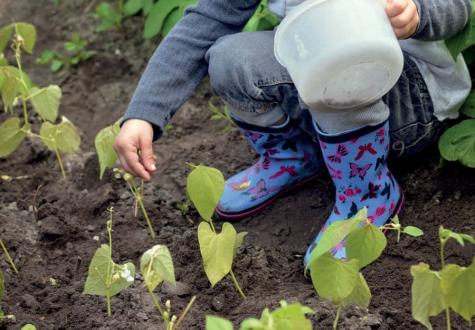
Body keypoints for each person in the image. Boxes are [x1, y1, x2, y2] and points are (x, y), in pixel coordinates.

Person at [113, 0, 472, 265]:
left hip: (411, 105)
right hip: (327, 94)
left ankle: (367, 193)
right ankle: (296, 155)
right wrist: (144, 114)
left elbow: (459, 7)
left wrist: (418, 13)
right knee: (229, 58)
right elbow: (204, 22)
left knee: (336, 55)